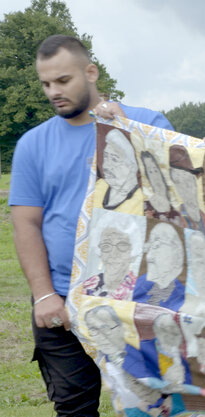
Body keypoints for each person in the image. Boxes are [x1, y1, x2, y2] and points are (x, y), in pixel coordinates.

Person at [8, 34, 173, 417]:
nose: (53, 92)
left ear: (91, 71)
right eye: (46, 83)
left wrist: (132, 135)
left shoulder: (145, 122)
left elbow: (177, 201)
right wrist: (45, 294)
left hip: (139, 300)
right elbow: (26, 224)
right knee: (73, 408)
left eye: (63, 81)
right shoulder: (33, 145)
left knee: (155, 407)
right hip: (64, 301)